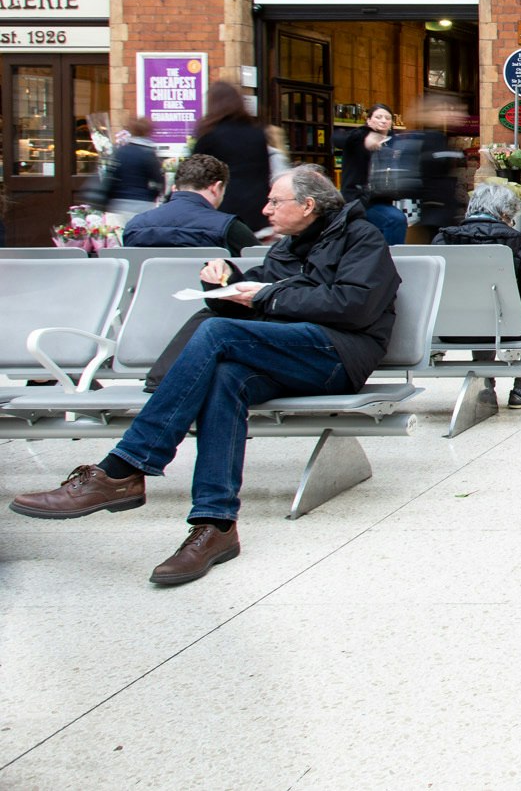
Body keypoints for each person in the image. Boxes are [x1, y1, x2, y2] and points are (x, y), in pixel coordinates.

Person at [8, 166, 400, 586]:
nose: (265, 209)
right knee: (226, 377)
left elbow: (353, 306)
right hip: (288, 353)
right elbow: (254, 297)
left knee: (216, 334)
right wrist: (225, 281)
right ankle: (216, 526)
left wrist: (266, 295)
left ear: (308, 205)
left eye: (274, 201)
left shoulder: (362, 237)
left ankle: (125, 468)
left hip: (339, 355)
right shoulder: (289, 246)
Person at [436, 183, 521, 407]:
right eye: (511, 219)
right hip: (508, 329)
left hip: (454, 331)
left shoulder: (442, 239)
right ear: (503, 214)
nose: (511, 224)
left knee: (477, 312)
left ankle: (485, 388)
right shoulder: (514, 241)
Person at [119, 153, 260, 255]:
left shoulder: (135, 226)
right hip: (210, 296)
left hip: (149, 295)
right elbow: (259, 264)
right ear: (216, 188)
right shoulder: (229, 228)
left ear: (175, 188)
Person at [188, 80, 271, 231]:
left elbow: (192, 173)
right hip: (258, 206)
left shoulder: (209, 134)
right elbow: (265, 171)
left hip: (223, 207)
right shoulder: (258, 133)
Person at [401, 96, 467, 245]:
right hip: (433, 212)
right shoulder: (429, 140)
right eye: (445, 110)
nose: (453, 114)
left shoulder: (440, 139)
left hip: (440, 210)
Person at [340, 103, 407, 246]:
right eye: (378, 117)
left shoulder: (393, 143)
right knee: (395, 219)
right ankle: (390, 260)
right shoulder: (358, 138)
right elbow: (337, 138)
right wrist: (366, 136)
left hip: (383, 198)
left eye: (387, 118)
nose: (383, 120)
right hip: (358, 200)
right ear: (369, 120)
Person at [100, 115, 167, 218]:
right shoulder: (148, 153)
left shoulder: (120, 151)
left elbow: (110, 176)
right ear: (148, 132)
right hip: (142, 204)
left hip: (118, 205)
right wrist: (154, 195)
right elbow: (159, 180)